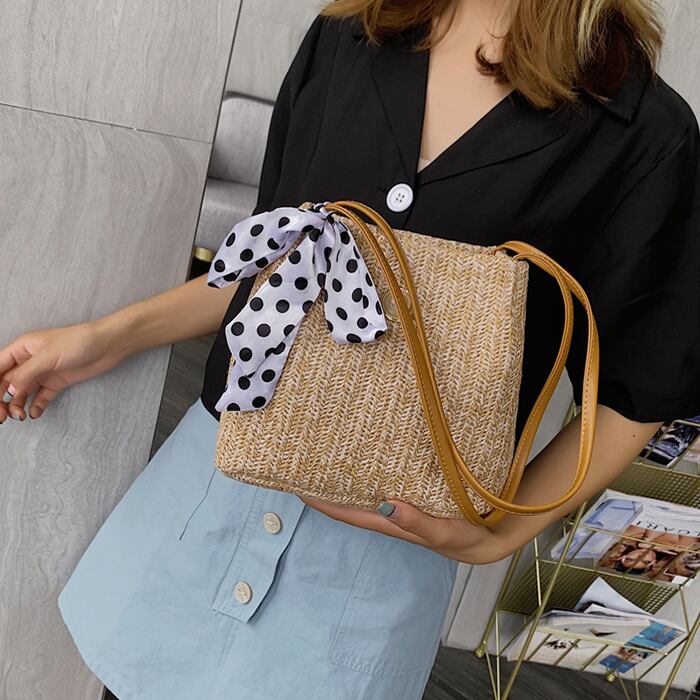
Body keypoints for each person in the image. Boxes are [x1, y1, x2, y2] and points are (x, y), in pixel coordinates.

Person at [2, 0, 700, 698]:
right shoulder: (351, 33)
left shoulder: (641, 131)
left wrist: (503, 532)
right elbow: (274, 268)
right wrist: (106, 339)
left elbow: (638, 391)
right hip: (204, 511)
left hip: (362, 587)